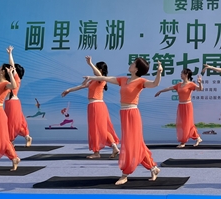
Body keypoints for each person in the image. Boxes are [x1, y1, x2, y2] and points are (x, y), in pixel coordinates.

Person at [84, 57, 162, 185]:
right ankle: (153, 168)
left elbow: (155, 84)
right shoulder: (124, 80)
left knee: (130, 144)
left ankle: (125, 174)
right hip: (124, 114)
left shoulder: (141, 81)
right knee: (137, 144)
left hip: (133, 114)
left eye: (133, 63)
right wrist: (91, 77)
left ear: (136, 69)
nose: (130, 64)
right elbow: (106, 78)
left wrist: (159, 72)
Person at [62, 56, 120, 158]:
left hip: (97, 106)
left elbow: (99, 76)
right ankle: (114, 147)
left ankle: (97, 152)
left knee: (97, 129)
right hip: (93, 106)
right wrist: (69, 90)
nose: (94, 70)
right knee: (100, 128)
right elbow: (82, 86)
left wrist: (90, 63)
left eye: (96, 68)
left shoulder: (102, 79)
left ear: (100, 70)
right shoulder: (93, 81)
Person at [155, 68, 204, 148]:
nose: (181, 74)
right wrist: (160, 91)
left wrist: (200, 83)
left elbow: (200, 89)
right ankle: (197, 138)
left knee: (188, 123)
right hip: (181, 106)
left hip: (188, 106)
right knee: (183, 123)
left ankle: (183, 142)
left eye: (182, 73)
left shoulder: (191, 84)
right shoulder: (179, 84)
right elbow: (169, 88)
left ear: (186, 75)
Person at [4, 46, 32, 147]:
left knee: (11, 122)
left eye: (13, 69)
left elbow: (12, 64)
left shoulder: (16, 79)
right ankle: (26, 137)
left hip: (12, 103)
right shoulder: (11, 80)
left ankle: (11, 141)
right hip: (11, 103)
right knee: (17, 121)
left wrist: (10, 54)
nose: (11, 69)